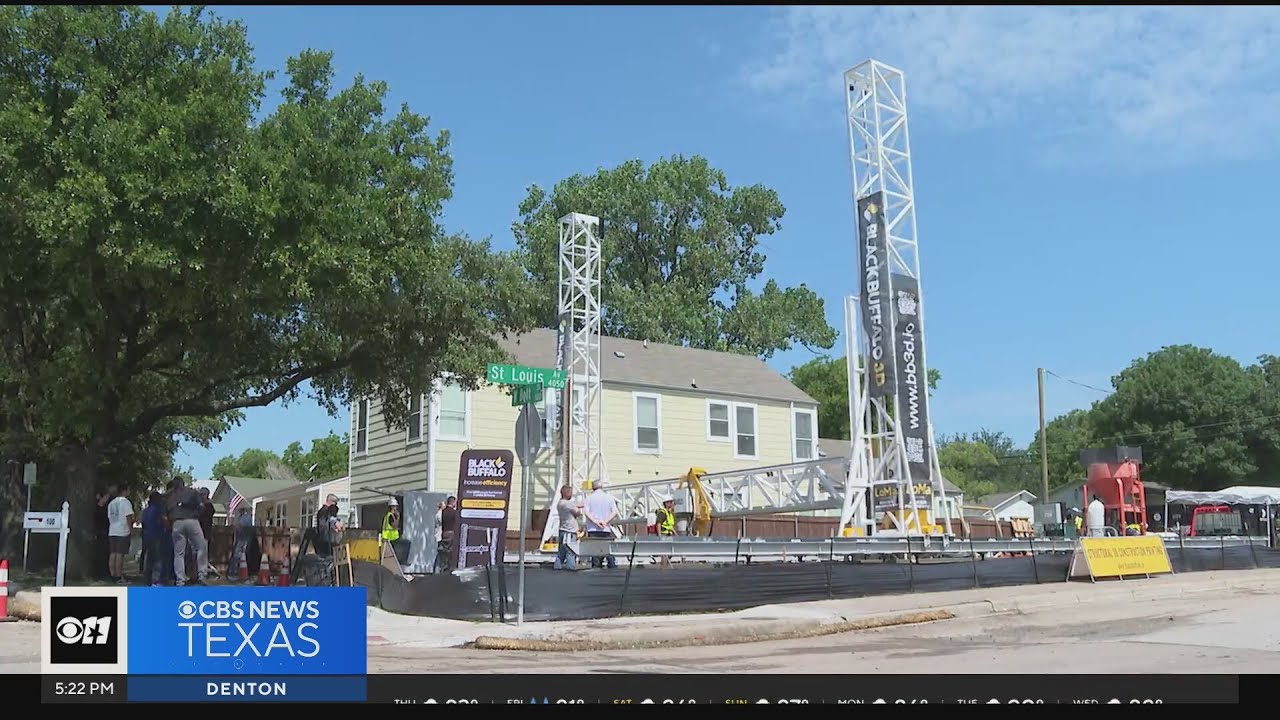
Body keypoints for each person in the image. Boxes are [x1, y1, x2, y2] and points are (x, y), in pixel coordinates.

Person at [166, 476, 208, 586]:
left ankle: (180, 579)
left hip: (176, 522)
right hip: (191, 520)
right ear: (183, 483)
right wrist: (197, 515)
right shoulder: (191, 492)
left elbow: (165, 514)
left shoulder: (169, 496)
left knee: (179, 553)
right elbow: (202, 506)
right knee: (201, 547)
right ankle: (202, 575)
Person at [583, 479, 618, 569]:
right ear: (602, 487)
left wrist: (595, 521)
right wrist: (605, 521)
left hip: (593, 528)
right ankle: (612, 568)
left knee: (596, 552)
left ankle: (596, 569)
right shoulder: (609, 497)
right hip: (605, 528)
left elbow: (586, 512)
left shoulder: (589, 498)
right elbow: (614, 511)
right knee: (607, 550)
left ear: (592, 488)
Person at [140, 491, 172, 586]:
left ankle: (148, 580)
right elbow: (164, 521)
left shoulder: (146, 511)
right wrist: (168, 528)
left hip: (147, 536)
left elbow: (143, 523)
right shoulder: (159, 510)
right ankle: (157, 580)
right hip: (157, 535)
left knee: (149, 559)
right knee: (158, 559)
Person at [106, 485, 135, 584]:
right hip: (122, 531)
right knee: (119, 554)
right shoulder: (125, 502)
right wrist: (130, 528)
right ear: (124, 490)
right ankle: (119, 576)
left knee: (112, 553)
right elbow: (128, 516)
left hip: (112, 530)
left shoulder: (111, 503)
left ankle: (112, 574)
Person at [553, 486, 582, 571]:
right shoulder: (567, 504)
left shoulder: (560, 503)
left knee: (561, 551)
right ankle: (570, 567)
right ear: (567, 493)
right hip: (569, 531)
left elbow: (575, 505)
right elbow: (577, 512)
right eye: (570, 492)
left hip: (562, 529)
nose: (572, 494)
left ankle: (557, 566)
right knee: (570, 551)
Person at [230, 506, 256, 581]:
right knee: (241, 555)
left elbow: (242, 527)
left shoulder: (246, 518)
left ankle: (237, 572)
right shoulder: (243, 518)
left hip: (244, 539)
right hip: (242, 539)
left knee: (240, 555)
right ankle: (237, 571)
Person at [92, 489, 112, 580]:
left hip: (104, 532)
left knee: (105, 554)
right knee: (102, 554)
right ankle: (101, 574)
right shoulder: (100, 508)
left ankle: (103, 573)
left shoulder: (104, 507)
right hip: (102, 533)